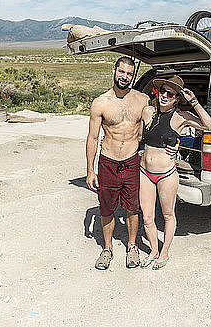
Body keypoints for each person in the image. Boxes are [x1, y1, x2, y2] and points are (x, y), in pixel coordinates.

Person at [139, 76, 211, 270]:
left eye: (170, 94)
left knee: (167, 215)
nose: (164, 96)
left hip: (166, 174)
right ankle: (154, 251)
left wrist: (194, 102)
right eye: (162, 91)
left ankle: (165, 252)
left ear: (176, 99)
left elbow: (209, 125)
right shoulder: (147, 112)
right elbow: (140, 137)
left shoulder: (180, 117)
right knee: (147, 217)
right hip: (145, 172)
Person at [86, 56, 149, 270]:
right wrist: (90, 170)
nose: (125, 77)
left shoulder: (142, 100)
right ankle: (107, 248)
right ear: (114, 71)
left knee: (132, 208)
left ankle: (132, 247)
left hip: (131, 161)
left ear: (133, 75)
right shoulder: (101, 102)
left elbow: (153, 127)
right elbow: (93, 138)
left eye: (129, 73)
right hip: (108, 162)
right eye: (121, 72)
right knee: (106, 209)